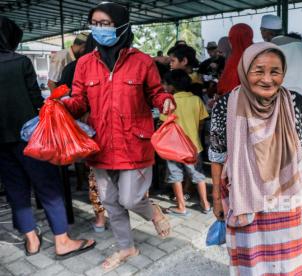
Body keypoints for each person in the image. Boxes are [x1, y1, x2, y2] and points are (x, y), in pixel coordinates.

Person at [62, 3, 174, 271]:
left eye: (105, 23)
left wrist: (166, 100)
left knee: (131, 198)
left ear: (122, 25)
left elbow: (155, 93)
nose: (99, 29)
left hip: (134, 142)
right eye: (95, 23)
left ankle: (153, 211)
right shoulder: (84, 65)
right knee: (110, 201)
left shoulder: (142, 61)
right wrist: (63, 104)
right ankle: (127, 247)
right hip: (100, 144)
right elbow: (79, 101)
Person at [209, 42, 302, 275]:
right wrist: (216, 198)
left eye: (275, 72)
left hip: (287, 195)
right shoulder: (226, 104)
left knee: (287, 254)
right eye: (259, 71)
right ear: (245, 71)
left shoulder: (295, 102)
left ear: (283, 73)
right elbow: (217, 154)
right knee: (250, 258)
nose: (267, 79)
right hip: (243, 194)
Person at [0, 15, 96, 259]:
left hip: (1, 142)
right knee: (48, 187)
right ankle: (62, 242)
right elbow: (36, 102)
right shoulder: (20, 62)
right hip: (31, 137)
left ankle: (31, 240)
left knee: (15, 189)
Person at [57, 35, 107, 233]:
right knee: (110, 175)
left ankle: (101, 219)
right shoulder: (112, 67)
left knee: (96, 175)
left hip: (88, 130)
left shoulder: (75, 67)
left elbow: (65, 95)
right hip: (109, 129)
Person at [161, 70, 211, 216]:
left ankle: (181, 207)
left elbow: (165, 124)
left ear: (171, 86)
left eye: (165, 84)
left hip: (173, 148)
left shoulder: (169, 101)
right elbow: (201, 122)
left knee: (175, 176)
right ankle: (206, 204)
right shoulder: (196, 100)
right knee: (198, 175)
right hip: (194, 146)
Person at [217, 23, 253, 95]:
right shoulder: (260, 56)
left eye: (230, 39)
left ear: (232, 40)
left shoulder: (233, 63)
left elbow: (227, 91)